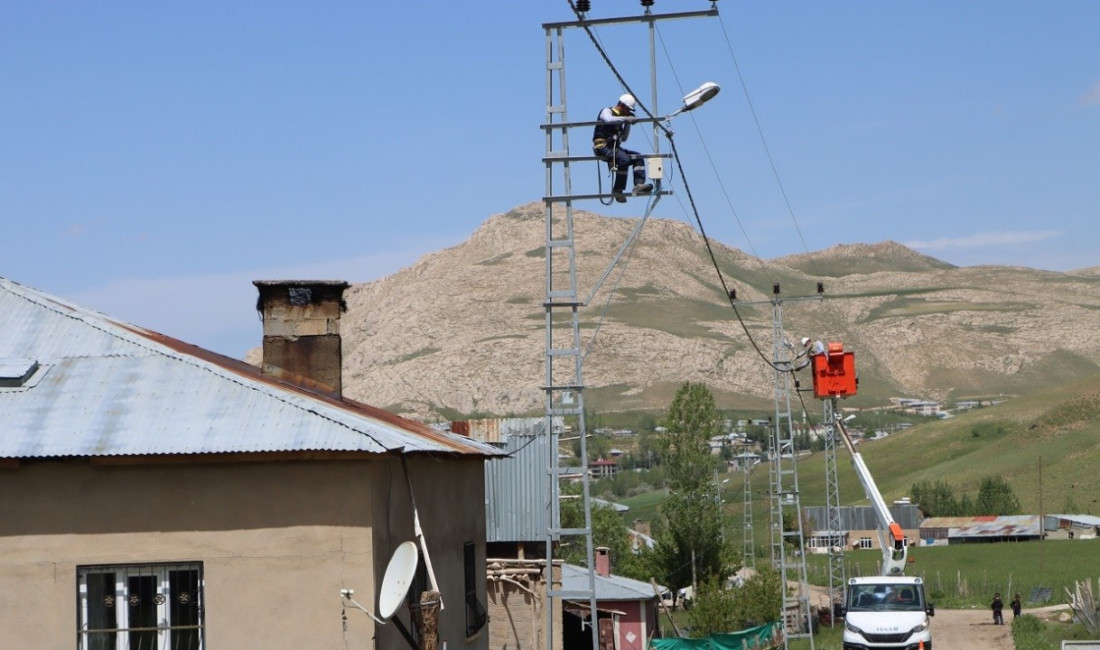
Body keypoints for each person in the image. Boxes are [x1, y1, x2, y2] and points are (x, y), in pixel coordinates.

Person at [592, 93, 653, 203]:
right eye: (627, 109)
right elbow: (608, 120)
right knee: (624, 159)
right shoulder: (607, 111)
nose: (628, 112)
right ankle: (618, 190)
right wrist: (625, 119)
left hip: (614, 148)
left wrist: (628, 124)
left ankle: (638, 185)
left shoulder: (622, 119)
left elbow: (624, 138)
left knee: (637, 157)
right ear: (622, 105)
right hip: (602, 147)